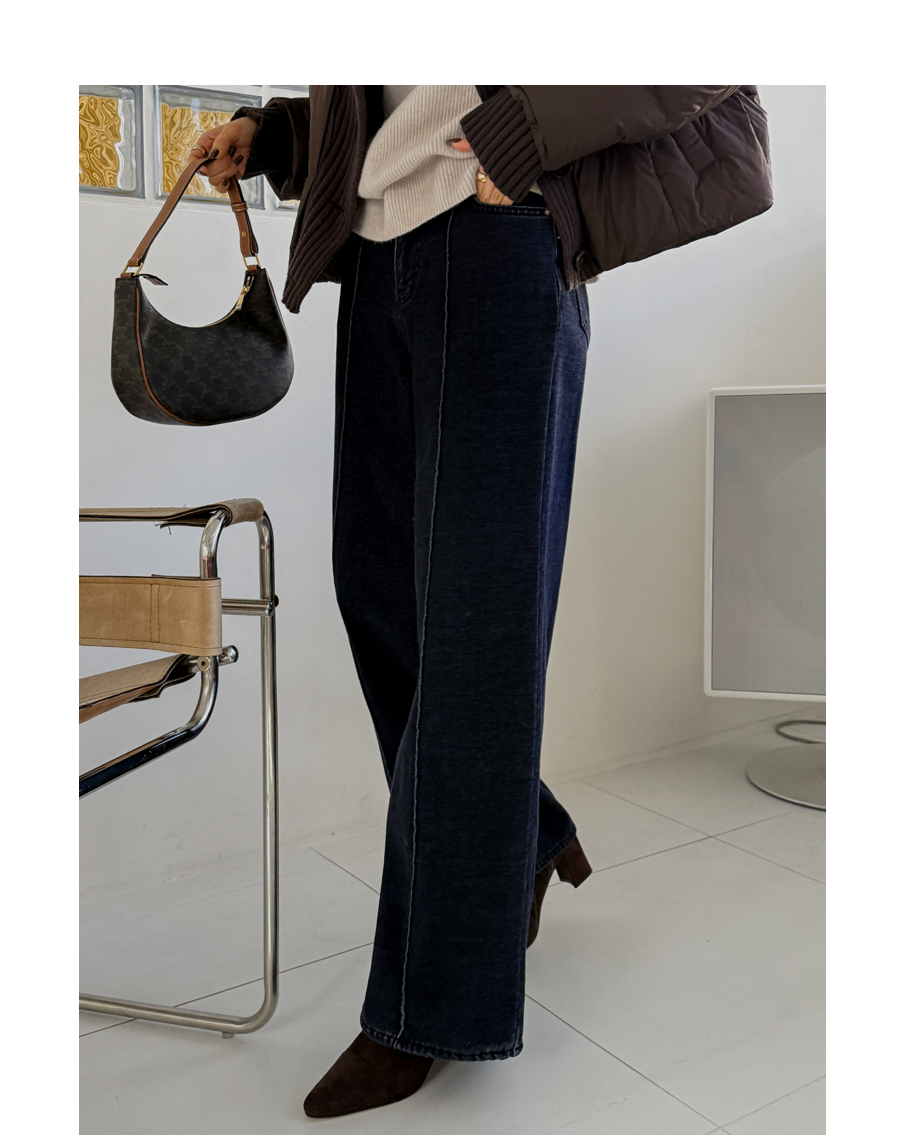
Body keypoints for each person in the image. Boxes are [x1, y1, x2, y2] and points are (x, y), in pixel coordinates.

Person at [194, 85, 772, 1119]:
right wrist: (282, 132)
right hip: (378, 251)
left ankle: (431, 1007)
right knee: (376, 591)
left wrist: (530, 132)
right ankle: (525, 835)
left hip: (501, 238)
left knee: (474, 631)